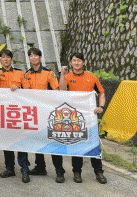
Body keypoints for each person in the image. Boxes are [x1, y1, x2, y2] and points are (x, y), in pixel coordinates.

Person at [59, 52, 107, 185]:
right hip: (74, 117)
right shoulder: (67, 77)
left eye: (79, 60)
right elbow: (62, 91)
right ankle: (77, 172)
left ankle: (99, 172)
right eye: (74, 60)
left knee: (93, 143)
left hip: (89, 116)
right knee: (77, 144)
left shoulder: (92, 77)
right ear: (71, 63)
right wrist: (62, 74)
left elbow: (101, 93)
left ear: (83, 62)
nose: (76, 63)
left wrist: (101, 106)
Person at [23, 47, 66, 183]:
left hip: (48, 112)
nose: (33, 58)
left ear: (40, 57)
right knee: (37, 139)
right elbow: (26, 92)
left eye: (36, 55)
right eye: (31, 56)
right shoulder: (27, 74)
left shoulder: (49, 73)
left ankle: (59, 170)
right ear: (29, 58)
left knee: (52, 141)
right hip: (34, 113)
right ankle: (40, 167)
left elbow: (56, 90)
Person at [0, 48, 31, 183]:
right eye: (3, 57)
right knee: (7, 141)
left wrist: (19, 89)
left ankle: (24, 169)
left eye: (8, 57)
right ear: (0, 59)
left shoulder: (20, 73)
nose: (6, 59)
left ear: (11, 59)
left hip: (18, 112)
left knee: (20, 141)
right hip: (4, 112)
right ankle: (10, 168)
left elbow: (28, 89)